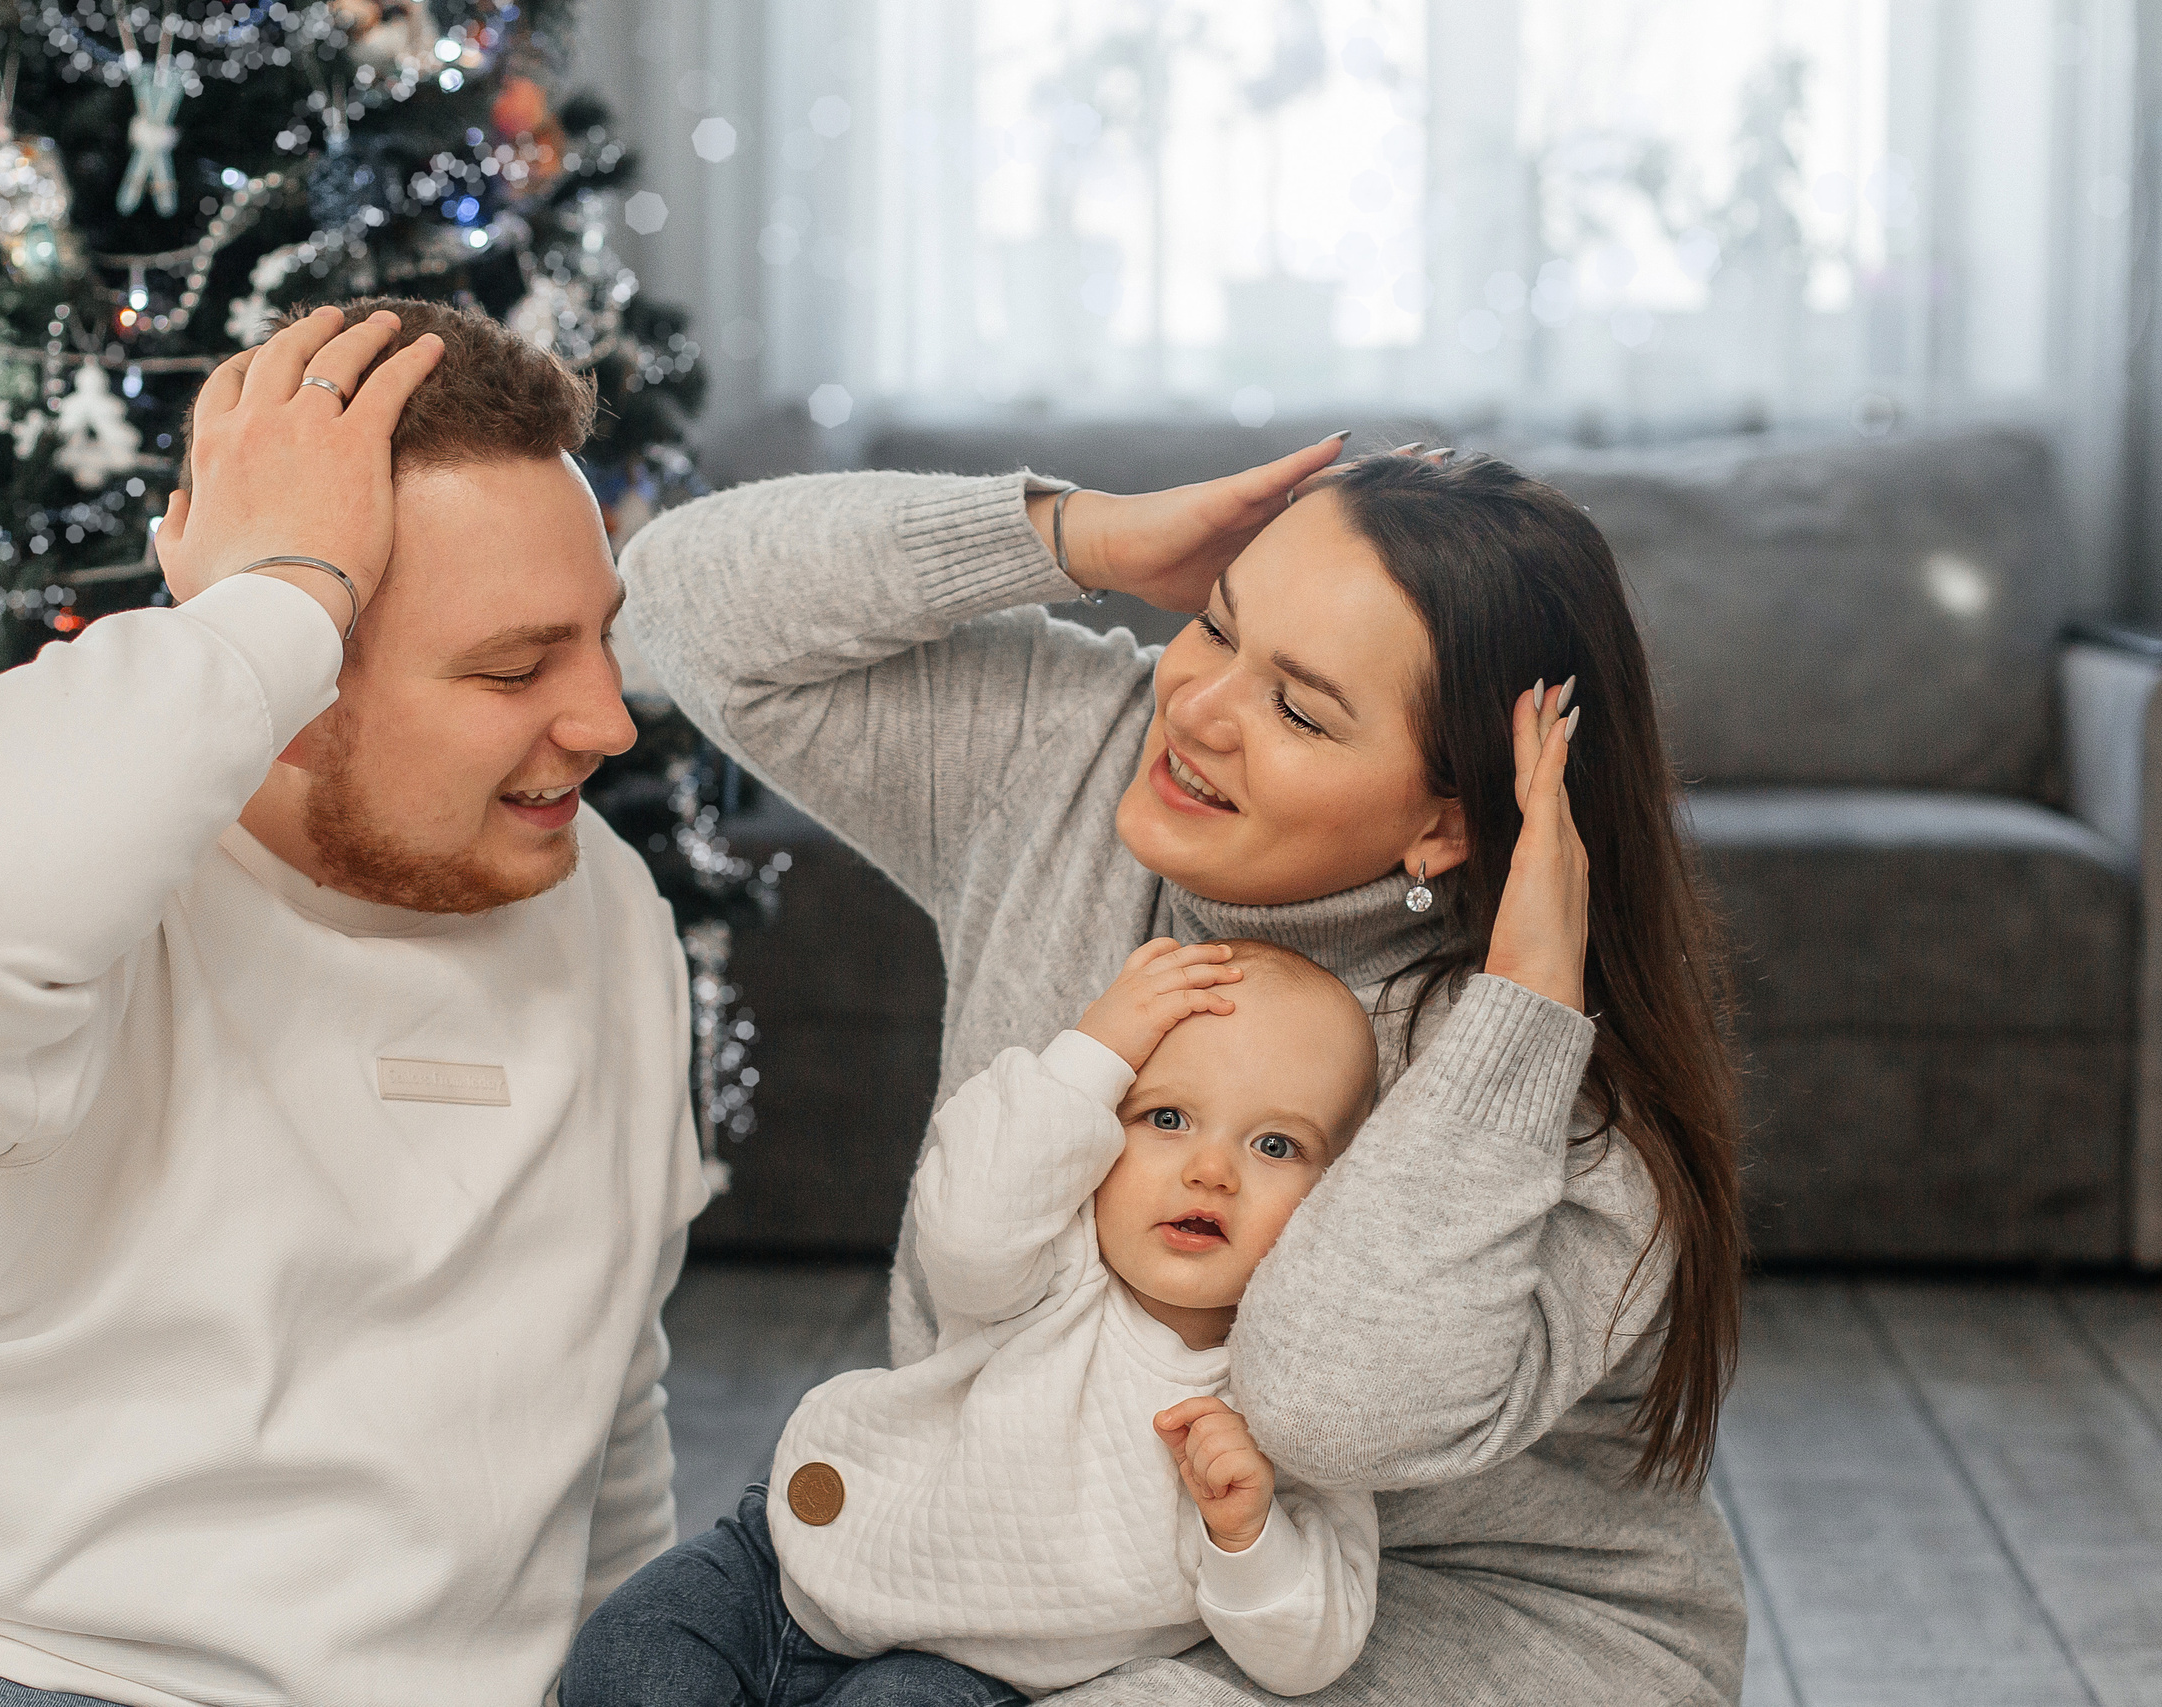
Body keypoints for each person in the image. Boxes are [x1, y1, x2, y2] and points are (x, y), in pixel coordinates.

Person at [0, 300, 707, 1707]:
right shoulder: (61, 871)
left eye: (599, 636)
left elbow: (602, 1407)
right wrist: (272, 589)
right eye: (516, 665)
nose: (606, 719)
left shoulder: (603, 901)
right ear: (290, 679)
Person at [621, 445, 1748, 1706]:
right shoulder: (1076, 764)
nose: (1199, 710)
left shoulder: (1561, 1098)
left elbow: (1328, 1414)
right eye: (1216, 627)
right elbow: (676, 598)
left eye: (1302, 710)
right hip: (1036, 1568)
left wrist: (1522, 1011)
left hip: (1447, 1622)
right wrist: (1074, 535)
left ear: (1446, 821)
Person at [566, 937, 1384, 1706]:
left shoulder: (1288, 1397)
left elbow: (1311, 1647)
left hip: (970, 1669)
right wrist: (1096, 1049)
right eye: (1166, 1119)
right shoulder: (1051, 1256)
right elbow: (964, 1221)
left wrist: (1244, 1533)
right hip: (795, 1570)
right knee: (627, 1657)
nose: (1211, 1171)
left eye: (1275, 1144)